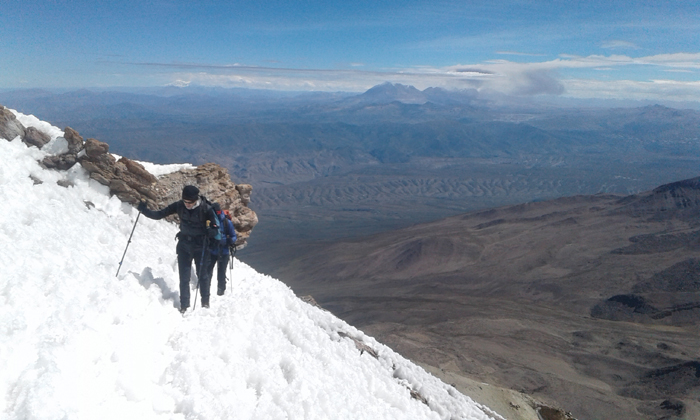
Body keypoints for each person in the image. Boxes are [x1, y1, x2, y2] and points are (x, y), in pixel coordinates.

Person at [137, 185, 219, 313]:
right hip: (184, 245)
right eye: (185, 201)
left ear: (196, 199)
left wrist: (210, 231)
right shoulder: (179, 205)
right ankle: (184, 306)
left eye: (190, 202)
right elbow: (160, 214)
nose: (187, 204)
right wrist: (144, 210)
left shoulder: (206, 209)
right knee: (184, 277)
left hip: (201, 247)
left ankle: (205, 303)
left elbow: (215, 230)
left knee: (203, 275)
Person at [205, 203, 237, 296]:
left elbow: (233, 236)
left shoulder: (226, 222)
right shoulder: (213, 222)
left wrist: (230, 240)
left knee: (220, 272)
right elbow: (233, 236)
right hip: (216, 250)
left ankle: (220, 290)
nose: (218, 213)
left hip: (220, 251)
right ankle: (208, 290)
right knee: (210, 271)